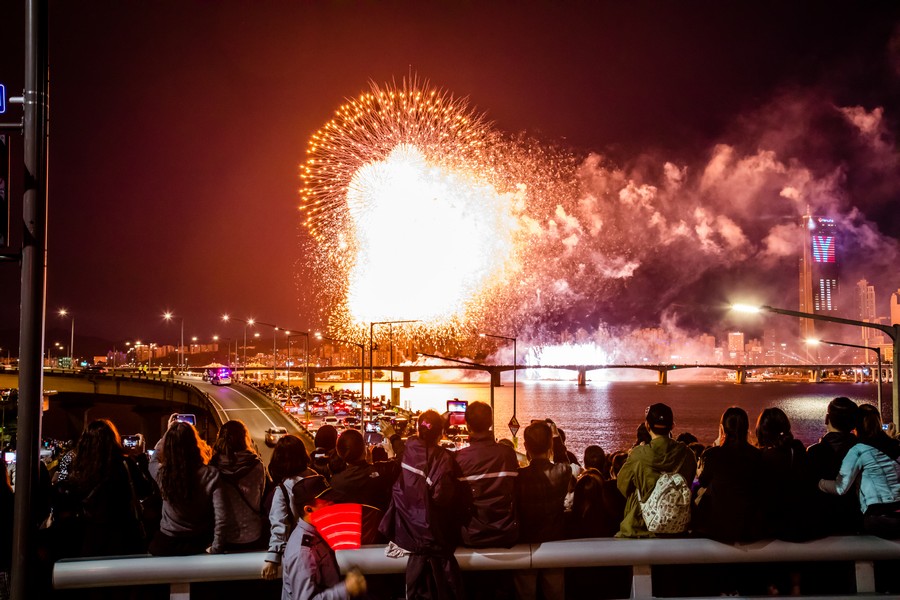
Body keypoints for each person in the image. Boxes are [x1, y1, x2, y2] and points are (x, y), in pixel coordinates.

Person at [379, 409, 466, 600]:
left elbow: (400, 449)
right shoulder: (444, 459)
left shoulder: (409, 447)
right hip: (433, 537)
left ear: (418, 430)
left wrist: (392, 435)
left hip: (406, 533)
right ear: (441, 434)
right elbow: (442, 498)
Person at [68, 419, 149, 556]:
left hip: (91, 537)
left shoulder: (80, 467)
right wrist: (141, 457)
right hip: (124, 536)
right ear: (113, 439)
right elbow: (145, 490)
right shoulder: (125, 464)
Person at [819, 403, 900, 538]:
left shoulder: (859, 450)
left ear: (856, 426)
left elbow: (840, 488)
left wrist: (820, 483)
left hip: (879, 519)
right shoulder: (896, 446)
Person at [616, 403, 696, 539]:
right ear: (672, 426)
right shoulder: (687, 454)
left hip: (640, 529)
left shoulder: (638, 455)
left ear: (647, 426)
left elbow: (622, 485)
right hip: (678, 527)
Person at [281, 474, 367, 600]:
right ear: (308, 509)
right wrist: (346, 589)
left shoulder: (317, 532)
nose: (333, 505)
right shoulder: (303, 553)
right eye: (327, 503)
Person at [149, 417, 226, 555]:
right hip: (199, 541)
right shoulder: (211, 475)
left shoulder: (162, 474)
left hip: (167, 542)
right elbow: (221, 516)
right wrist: (216, 547)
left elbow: (153, 459)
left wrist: (168, 433)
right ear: (194, 444)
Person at [515, 420, 573, 600]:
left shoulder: (518, 477)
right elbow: (565, 462)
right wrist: (555, 437)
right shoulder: (562, 472)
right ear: (550, 445)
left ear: (526, 446)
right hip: (554, 540)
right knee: (555, 593)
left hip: (524, 541)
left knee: (525, 593)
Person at [692, 407, 764, 543]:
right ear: (747, 429)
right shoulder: (757, 455)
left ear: (722, 429)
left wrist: (717, 445)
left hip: (720, 529)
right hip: (749, 528)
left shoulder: (714, 455)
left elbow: (703, 481)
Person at [454, 401, 519, 549]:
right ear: (490, 423)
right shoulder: (508, 454)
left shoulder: (459, 459)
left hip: (473, 536)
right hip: (507, 534)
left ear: (467, 425)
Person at [262, 434, 319, 580]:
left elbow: (279, 524)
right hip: (321, 548)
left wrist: (272, 558)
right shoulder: (317, 479)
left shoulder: (283, 489)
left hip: (299, 552)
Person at [756, 407, 815, 541]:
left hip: (775, 525)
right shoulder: (797, 449)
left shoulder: (761, 457)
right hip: (800, 522)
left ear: (762, 431)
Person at [209, 420, 270, 552]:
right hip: (254, 534)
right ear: (245, 438)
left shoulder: (214, 468)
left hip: (224, 537)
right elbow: (262, 494)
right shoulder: (257, 465)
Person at [806, 397, 861, 536]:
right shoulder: (863, 450)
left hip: (822, 523)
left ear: (827, 419)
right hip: (856, 521)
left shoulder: (814, 452)